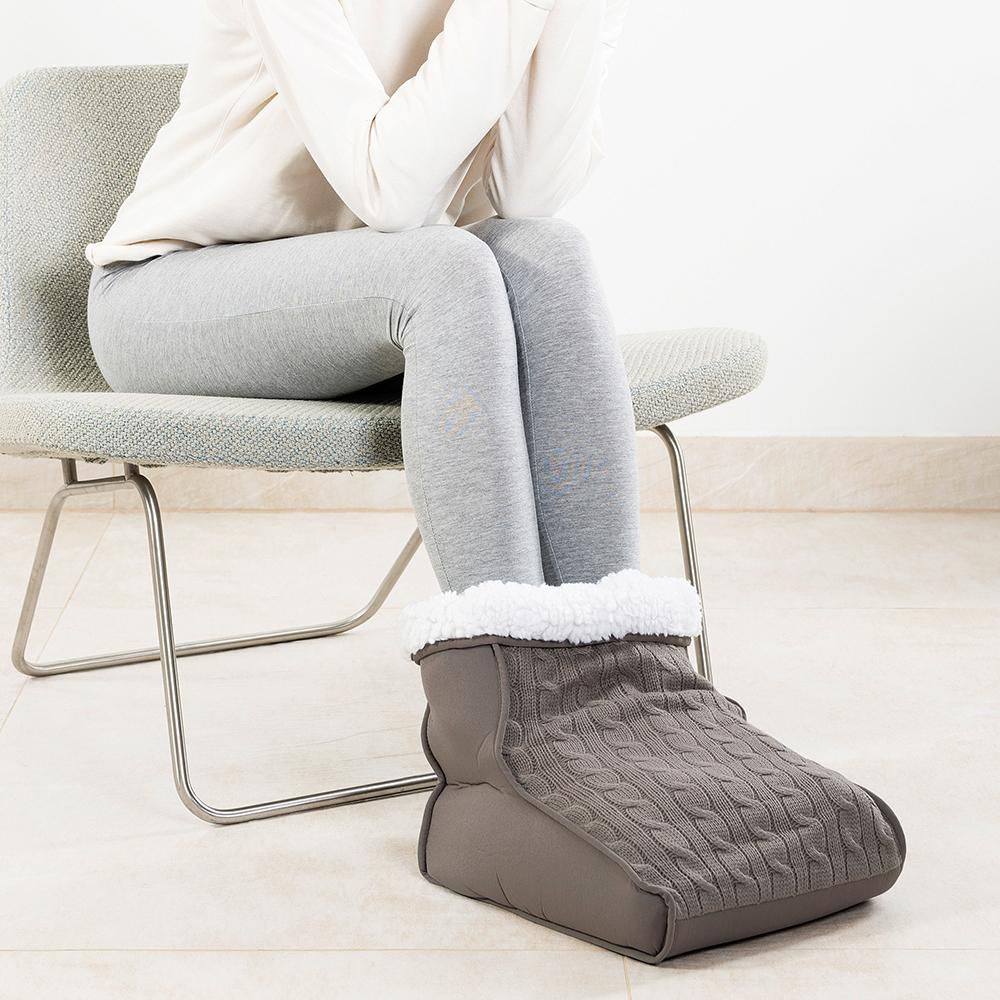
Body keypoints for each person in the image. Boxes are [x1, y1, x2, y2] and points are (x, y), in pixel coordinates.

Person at [86, 0, 638, 594]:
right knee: (445, 269)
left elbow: (529, 194)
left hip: (362, 309)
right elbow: (388, 192)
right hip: (164, 295)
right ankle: (499, 643)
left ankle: (614, 635)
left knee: (550, 252)